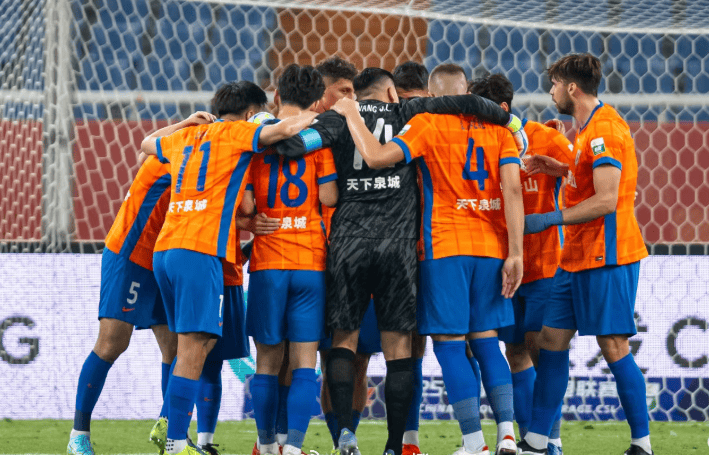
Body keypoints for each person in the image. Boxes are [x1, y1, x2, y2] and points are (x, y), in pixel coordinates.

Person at [276, 67, 523, 455]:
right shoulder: (419, 115)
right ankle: (409, 443)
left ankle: (347, 435)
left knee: (346, 343)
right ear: (393, 93)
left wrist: (303, 120)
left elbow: (296, 146)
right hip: (421, 245)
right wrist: (512, 121)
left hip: (365, 242)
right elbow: (473, 116)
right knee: (415, 348)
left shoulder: (354, 121)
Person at [140, 81, 316, 455]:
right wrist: (323, 115)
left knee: (194, 346)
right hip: (199, 251)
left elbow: (147, 143)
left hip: (166, 250)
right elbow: (284, 130)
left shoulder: (186, 137)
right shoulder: (237, 133)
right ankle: (175, 443)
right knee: (195, 347)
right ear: (251, 114)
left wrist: (185, 122)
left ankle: (174, 434)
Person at [516, 53, 651, 455]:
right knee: (550, 339)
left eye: (555, 84)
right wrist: (557, 168)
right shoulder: (587, 129)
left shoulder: (604, 130)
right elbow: (588, 179)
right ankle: (537, 441)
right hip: (575, 257)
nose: (551, 92)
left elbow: (607, 200)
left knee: (614, 346)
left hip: (606, 256)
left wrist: (548, 219)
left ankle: (642, 444)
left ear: (571, 88)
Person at [468, 74, 574, 455]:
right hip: (501, 267)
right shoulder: (477, 146)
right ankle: (531, 439)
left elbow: (584, 174)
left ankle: (551, 438)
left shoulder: (545, 138)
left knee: (542, 348)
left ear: (501, 110)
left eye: (477, 111)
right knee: (515, 350)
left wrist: (556, 167)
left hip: (544, 265)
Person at [242, 64, 338, 455]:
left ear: (277, 96)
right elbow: (330, 197)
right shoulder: (319, 140)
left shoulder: (256, 141)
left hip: (268, 263)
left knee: (267, 362)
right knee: (303, 363)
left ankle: (267, 446)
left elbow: (246, 205)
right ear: (317, 101)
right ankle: (294, 448)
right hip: (310, 262)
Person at [67, 155, 176, 455]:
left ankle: (171, 433)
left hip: (163, 256)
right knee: (112, 343)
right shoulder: (179, 148)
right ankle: (78, 435)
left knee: (176, 347)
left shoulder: (187, 148)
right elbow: (144, 151)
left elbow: (143, 152)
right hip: (130, 253)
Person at [391, 60, 429, 455]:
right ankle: (408, 440)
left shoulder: (436, 128)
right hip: (400, 253)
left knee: (463, 345)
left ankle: (477, 439)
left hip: (439, 252)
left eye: (416, 101)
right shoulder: (391, 135)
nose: (410, 109)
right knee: (406, 346)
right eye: (403, 102)